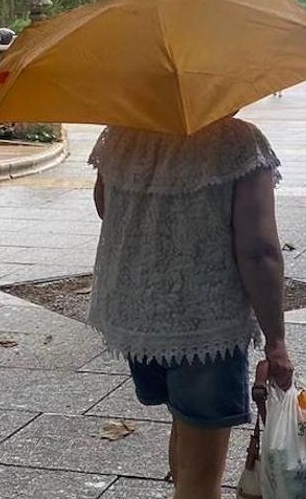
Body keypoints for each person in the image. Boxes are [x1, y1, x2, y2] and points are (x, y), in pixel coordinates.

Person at [89, 117, 293, 499]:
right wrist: (276, 341)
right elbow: (259, 251)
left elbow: (106, 207)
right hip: (205, 324)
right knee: (202, 474)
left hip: (139, 317)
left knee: (185, 425)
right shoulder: (238, 142)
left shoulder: (122, 135)